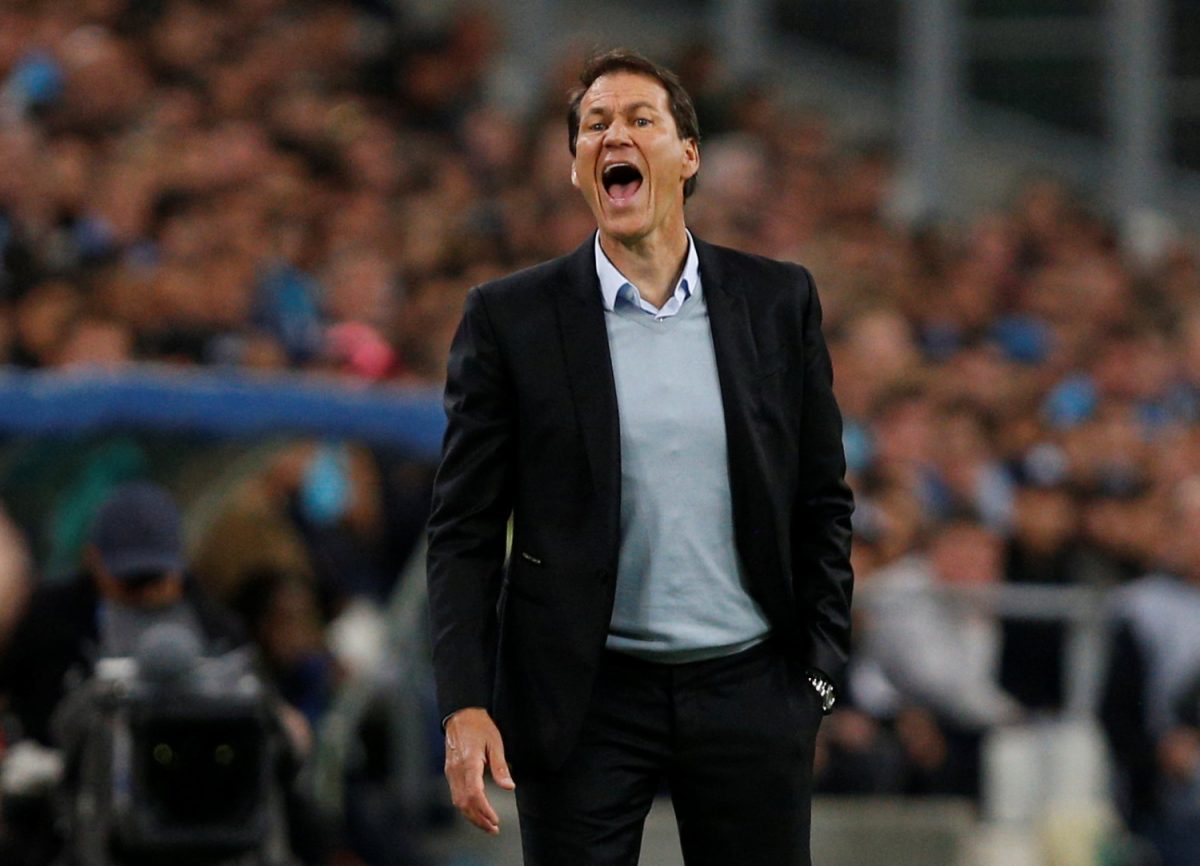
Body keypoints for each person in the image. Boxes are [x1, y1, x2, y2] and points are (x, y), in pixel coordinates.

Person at [426, 48, 854, 866]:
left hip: (749, 687)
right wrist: (464, 704)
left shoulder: (777, 301)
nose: (613, 135)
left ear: (687, 155)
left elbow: (821, 499)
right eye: (595, 125)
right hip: (584, 697)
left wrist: (817, 676)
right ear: (576, 169)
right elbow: (463, 531)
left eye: (639, 119)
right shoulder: (510, 318)